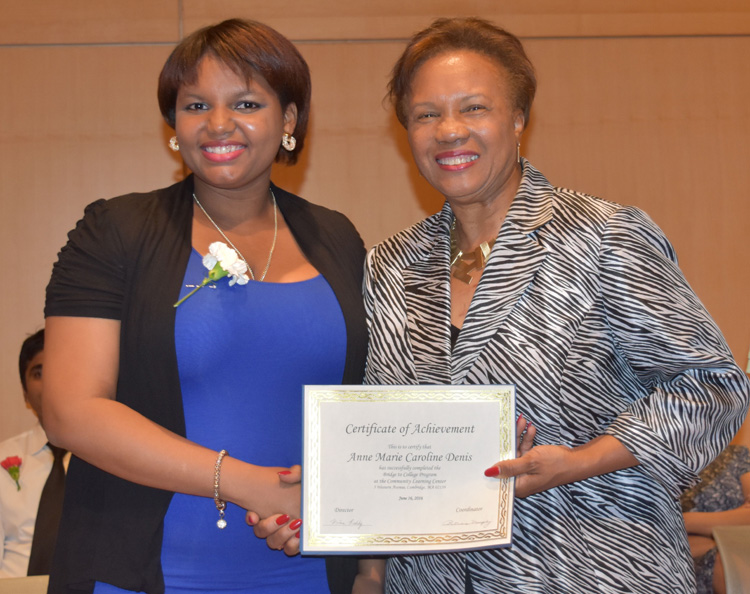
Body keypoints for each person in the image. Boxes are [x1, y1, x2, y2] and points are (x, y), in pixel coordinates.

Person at [355, 17, 750, 593]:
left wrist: (582, 460)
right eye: (425, 114)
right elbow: (378, 435)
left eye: (473, 108)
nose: (448, 131)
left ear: (517, 119)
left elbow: (712, 387)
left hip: (594, 566)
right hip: (435, 578)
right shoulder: (389, 266)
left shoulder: (604, 235)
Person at [42, 19, 366, 594]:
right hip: (147, 571)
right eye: (195, 105)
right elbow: (71, 410)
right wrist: (248, 483)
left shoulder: (336, 237)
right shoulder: (115, 230)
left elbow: (368, 402)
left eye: (245, 102)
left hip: (305, 568)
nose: (218, 124)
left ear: (288, 120)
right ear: (174, 124)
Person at [0, 329, 68, 577]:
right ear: (25, 394)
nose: (50, 380)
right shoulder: (2, 458)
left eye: (60, 368)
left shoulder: (110, 457)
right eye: (38, 373)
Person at [681, 413, 750, 594]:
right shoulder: (660, 464)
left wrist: (686, 520)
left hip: (741, 549)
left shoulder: (736, 456)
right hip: (686, 562)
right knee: (724, 560)